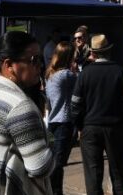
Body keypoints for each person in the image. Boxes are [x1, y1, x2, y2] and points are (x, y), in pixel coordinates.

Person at [0, 31, 54, 193]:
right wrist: (49, 144)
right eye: (34, 60)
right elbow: (40, 167)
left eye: (40, 59)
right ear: (8, 65)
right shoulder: (21, 107)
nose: (40, 65)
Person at [71, 34, 123, 195]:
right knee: (118, 173)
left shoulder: (85, 73)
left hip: (90, 127)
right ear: (108, 51)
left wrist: (79, 126)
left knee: (93, 175)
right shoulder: (119, 72)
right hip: (115, 127)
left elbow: (75, 105)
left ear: (93, 53)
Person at [46, 41, 78, 195]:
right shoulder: (67, 75)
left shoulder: (50, 74)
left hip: (52, 121)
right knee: (57, 165)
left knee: (54, 163)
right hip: (64, 121)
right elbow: (81, 89)